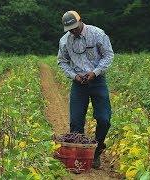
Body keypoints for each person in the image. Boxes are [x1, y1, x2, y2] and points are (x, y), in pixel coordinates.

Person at [57, 10, 114, 169]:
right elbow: (62, 61)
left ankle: (96, 151)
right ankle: (79, 157)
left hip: (97, 81)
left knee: (104, 119)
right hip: (78, 83)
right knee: (75, 122)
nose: (73, 31)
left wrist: (94, 73)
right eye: (69, 29)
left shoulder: (97, 34)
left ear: (81, 21)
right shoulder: (64, 41)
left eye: (75, 27)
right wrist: (74, 76)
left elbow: (108, 55)